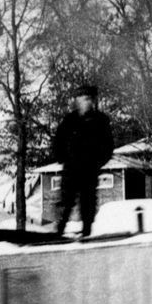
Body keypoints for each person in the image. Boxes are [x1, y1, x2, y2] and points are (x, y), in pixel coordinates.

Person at [48, 84, 115, 238]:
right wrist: (62, 157)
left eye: (89, 99)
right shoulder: (69, 121)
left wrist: (98, 163)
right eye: (83, 99)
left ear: (93, 101)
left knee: (88, 201)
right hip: (71, 168)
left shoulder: (100, 121)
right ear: (77, 101)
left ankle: (86, 231)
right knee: (66, 200)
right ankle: (59, 230)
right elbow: (58, 141)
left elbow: (108, 145)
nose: (86, 102)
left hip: (90, 169)